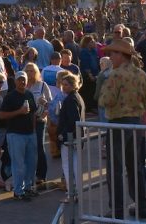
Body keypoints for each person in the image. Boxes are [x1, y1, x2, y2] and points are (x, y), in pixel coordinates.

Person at [98, 38, 146, 220]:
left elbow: (106, 100)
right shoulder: (142, 74)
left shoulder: (115, 75)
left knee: (115, 169)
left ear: (122, 55)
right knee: (135, 167)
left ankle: (117, 210)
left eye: (113, 53)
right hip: (136, 123)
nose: (110, 56)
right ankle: (142, 207)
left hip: (118, 123)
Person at [0, 73, 37, 202]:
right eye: (20, 80)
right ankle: (18, 191)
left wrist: (33, 129)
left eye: (24, 80)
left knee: (31, 163)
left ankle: (28, 187)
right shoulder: (10, 97)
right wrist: (19, 112)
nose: (22, 82)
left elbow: (33, 112)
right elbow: (2, 115)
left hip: (30, 134)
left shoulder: (29, 94)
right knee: (18, 164)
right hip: (15, 134)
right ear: (15, 82)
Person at [56, 73, 85, 202]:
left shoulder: (70, 99)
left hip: (70, 138)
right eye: (63, 84)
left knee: (68, 165)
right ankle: (76, 192)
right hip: (77, 136)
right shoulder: (77, 97)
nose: (64, 87)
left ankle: (71, 193)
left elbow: (74, 119)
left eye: (66, 85)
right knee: (75, 164)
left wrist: (64, 133)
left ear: (73, 85)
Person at [22, 63, 51, 186]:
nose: (30, 73)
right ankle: (27, 175)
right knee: (26, 148)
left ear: (36, 72)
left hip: (39, 121)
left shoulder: (42, 85)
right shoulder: (22, 86)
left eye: (32, 71)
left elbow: (50, 103)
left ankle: (41, 175)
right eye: (27, 71)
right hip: (25, 121)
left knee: (39, 146)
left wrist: (45, 113)